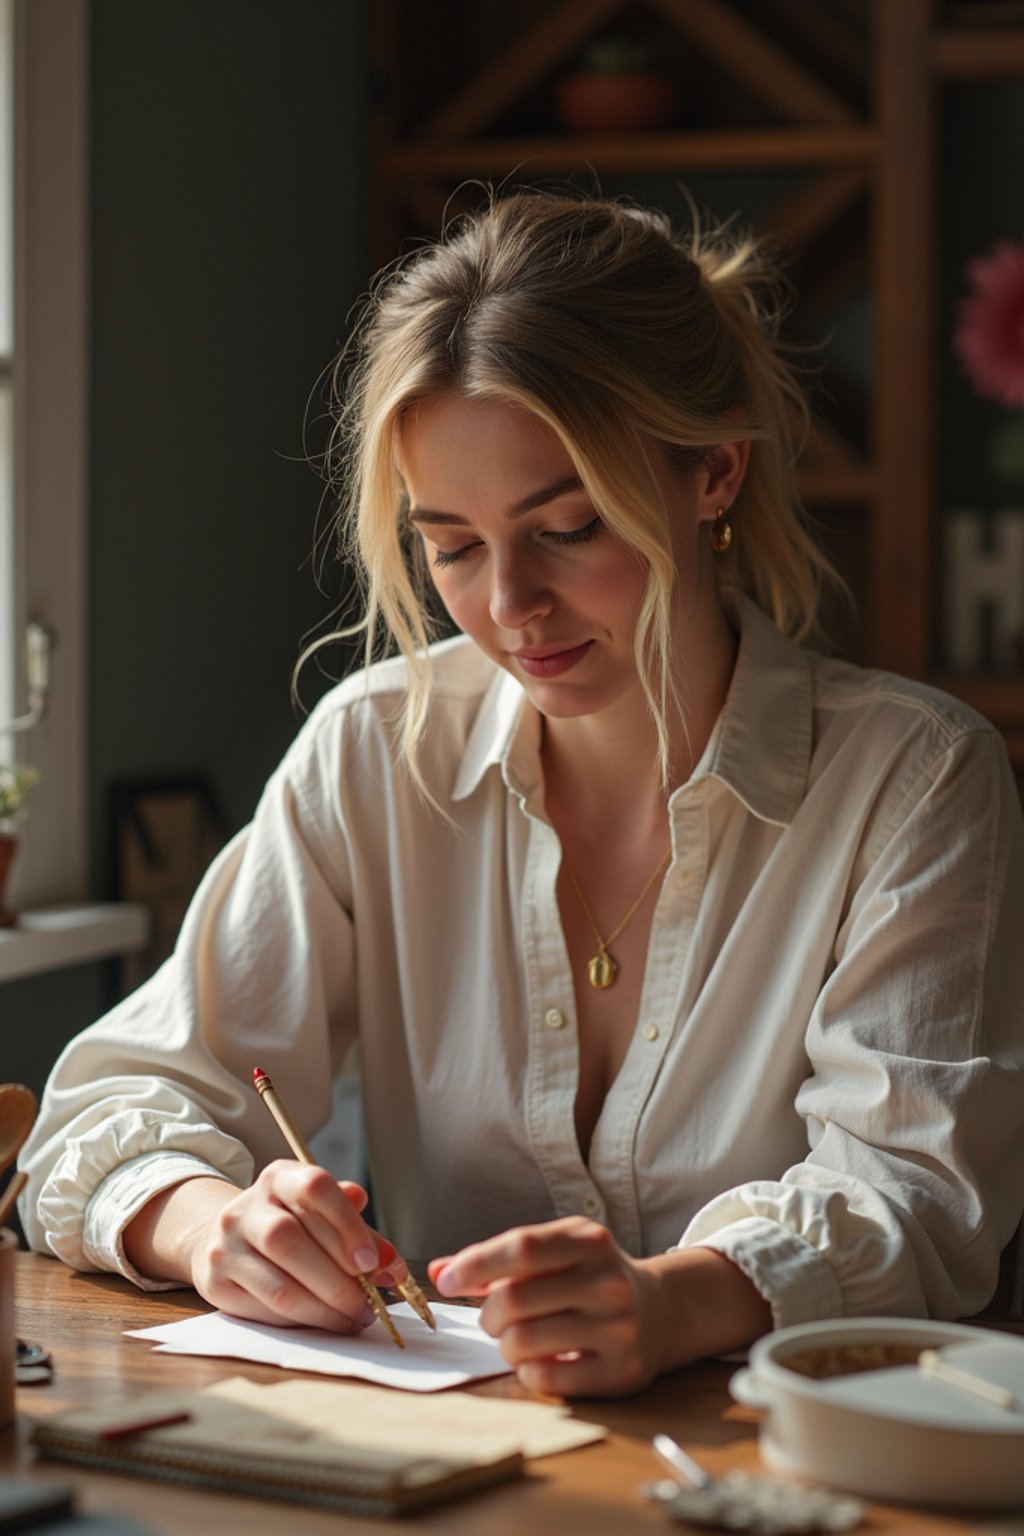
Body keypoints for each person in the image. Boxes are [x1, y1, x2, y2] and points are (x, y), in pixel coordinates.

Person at [19, 191, 1024, 1399]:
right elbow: (116, 1099)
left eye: (568, 525)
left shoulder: (913, 783)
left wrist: (670, 1300)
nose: (509, 607)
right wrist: (209, 1225)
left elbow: (915, 1196)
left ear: (713, 473)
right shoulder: (373, 751)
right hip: (459, 1467)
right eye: (450, 545)